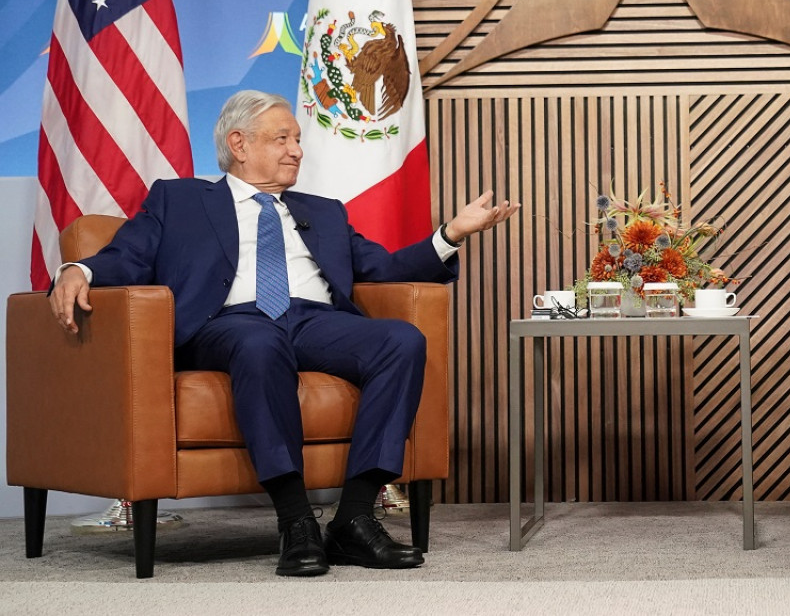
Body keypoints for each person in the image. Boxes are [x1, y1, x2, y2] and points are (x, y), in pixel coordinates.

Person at [48, 90, 519, 577]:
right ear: (239, 143)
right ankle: (295, 521)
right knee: (260, 342)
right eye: (282, 138)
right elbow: (129, 254)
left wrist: (452, 233)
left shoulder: (325, 210)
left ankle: (354, 517)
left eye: (297, 139)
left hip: (314, 319)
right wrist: (78, 269)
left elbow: (385, 268)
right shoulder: (180, 199)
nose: (296, 149)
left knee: (401, 340)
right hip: (229, 322)